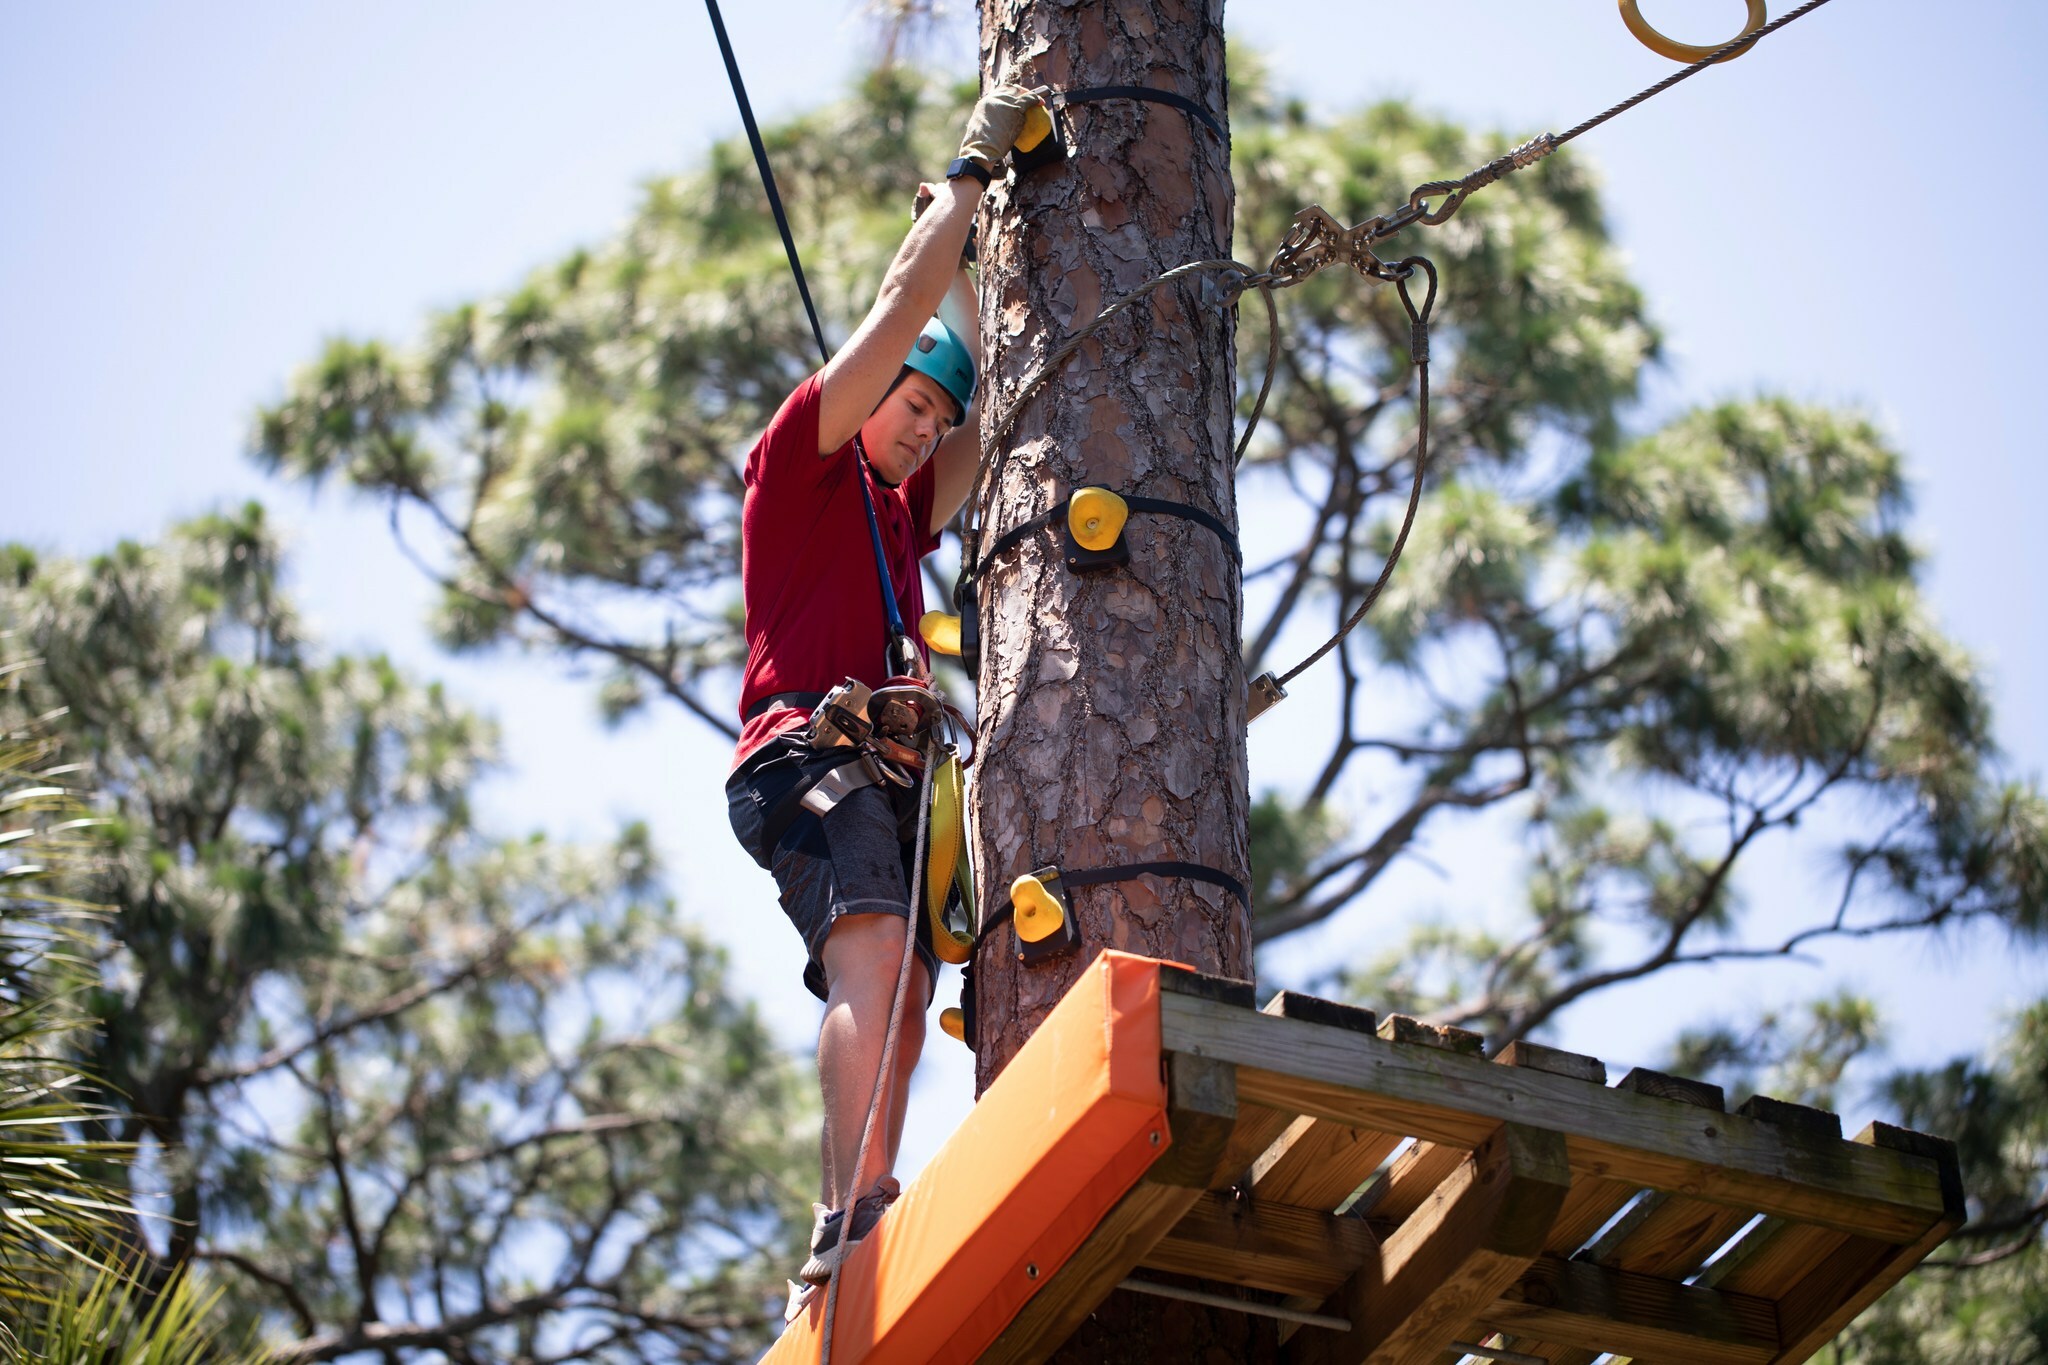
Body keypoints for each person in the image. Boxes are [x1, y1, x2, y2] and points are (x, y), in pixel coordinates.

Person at [723, 83, 1039, 1292]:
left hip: (873, 772)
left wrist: (975, 280)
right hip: (804, 754)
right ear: (866, 392)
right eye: (909, 405)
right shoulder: (801, 456)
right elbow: (901, 308)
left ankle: (852, 1208)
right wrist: (963, 181)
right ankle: (850, 1210)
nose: (921, 431)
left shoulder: (896, 519)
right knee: (877, 962)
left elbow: (986, 409)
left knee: (905, 985)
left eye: (929, 417)